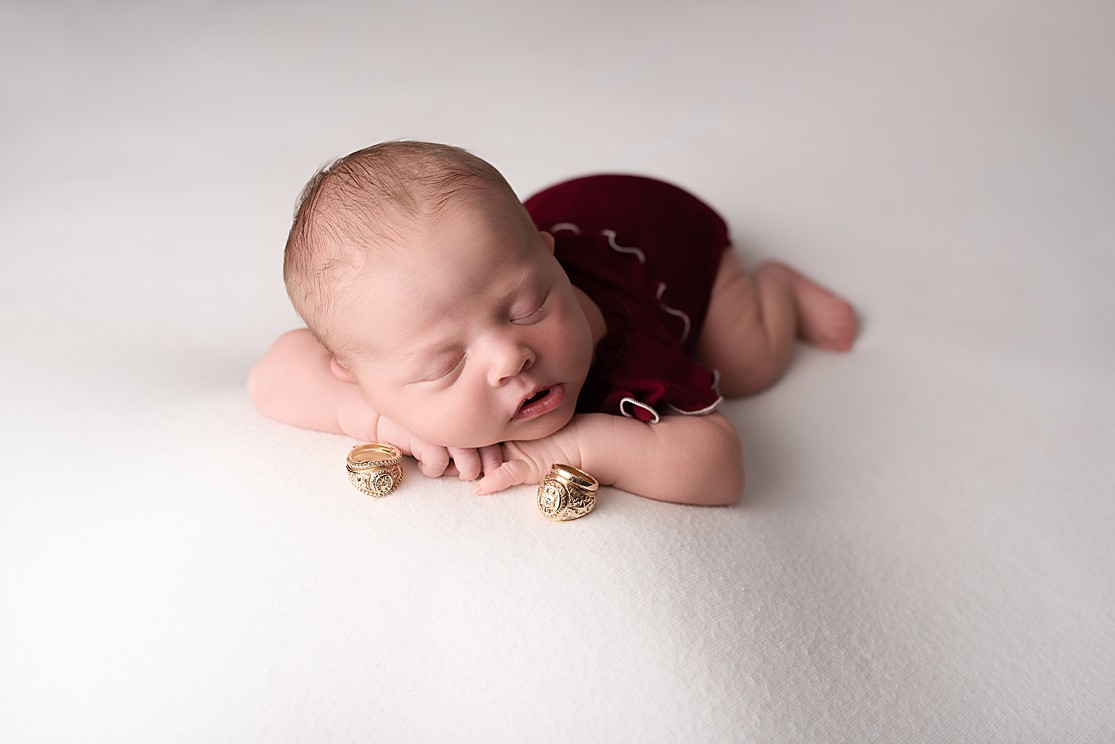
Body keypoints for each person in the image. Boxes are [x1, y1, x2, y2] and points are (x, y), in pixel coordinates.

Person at [248, 141, 857, 506]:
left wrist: (572, 449)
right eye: (446, 363)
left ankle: (773, 287)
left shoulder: (623, 353)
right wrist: (379, 420)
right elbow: (272, 376)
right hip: (542, 226)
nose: (510, 357)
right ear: (351, 373)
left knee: (750, 364)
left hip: (670, 235)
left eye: (526, 308)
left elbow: (721, 466)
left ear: (552, 261)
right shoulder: (381, 352)